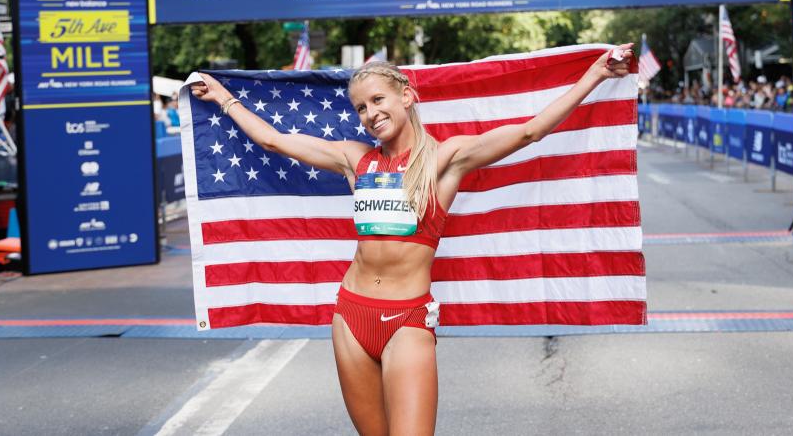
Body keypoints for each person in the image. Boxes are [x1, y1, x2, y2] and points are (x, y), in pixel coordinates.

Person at [190, 44, 634, 435]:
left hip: (407, 320)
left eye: (377, 100)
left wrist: (594, 74)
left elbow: (529, 132)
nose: (369, 114)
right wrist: (223, 97)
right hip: (351, 315)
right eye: (361, 108)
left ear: (407, 96)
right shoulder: (354, 159)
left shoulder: (446, 159)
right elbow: (273, 141)